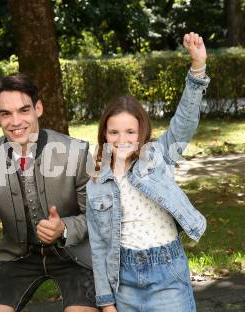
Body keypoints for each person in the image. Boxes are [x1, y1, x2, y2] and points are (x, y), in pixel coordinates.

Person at [0, 73, 98, 312]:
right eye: (6, 113)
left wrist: (64, 228)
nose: (15, 121)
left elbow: (95, 217)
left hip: (74, 255)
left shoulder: (76, 152)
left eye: (24, 110)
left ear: (38, 108)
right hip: (17, 255)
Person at [86, 32, 210, 312]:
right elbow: (99, 247)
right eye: (114, 131)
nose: (122, 139)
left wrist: (198, 68)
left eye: (130, 131)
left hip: (167, 273)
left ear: (142, 131)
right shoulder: (97, 182)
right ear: (104, 133)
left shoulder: (157, 155)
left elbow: (185, 121)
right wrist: (106, 303)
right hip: (124, 280)